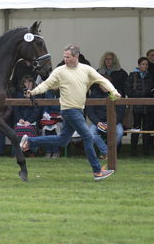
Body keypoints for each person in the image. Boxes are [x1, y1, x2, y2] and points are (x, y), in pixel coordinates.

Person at [21, 44, 121, 180]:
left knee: (62, 141)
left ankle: (30, 141)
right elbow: (46, 84)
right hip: (69, 110)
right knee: (88, 137)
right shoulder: (59, 71)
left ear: (76, 56)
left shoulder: (86, 69)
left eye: (68, 57)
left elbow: (102, 80)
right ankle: (97, 171)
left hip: (78, 110)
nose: (65, 59)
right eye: (64, 57)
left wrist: (114, 91)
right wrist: (33, 91)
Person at [125, 57, 154, 156]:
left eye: (146, 64)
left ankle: (146, 151)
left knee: (146, 129)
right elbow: (128, 90)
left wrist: (146, 94)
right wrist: (142, 94)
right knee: (136, 129)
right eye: (143, 64)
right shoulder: (132, 76)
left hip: (148, 107)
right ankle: (133, 150)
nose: (145, 66)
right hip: (136, 107)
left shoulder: (150, 76)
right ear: (139, 65)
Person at [87, 83, 125, 160]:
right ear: (99, 86)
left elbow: (121, 112)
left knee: (120, 133)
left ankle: (107, 152)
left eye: (106, 85)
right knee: (91, 133)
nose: (104, 87)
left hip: (114, 121)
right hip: (98, 122)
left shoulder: (117, 94)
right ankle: (107, 152)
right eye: (102, 85)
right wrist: (98, 122)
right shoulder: (94, 95)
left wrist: (113, 122)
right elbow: (90, 112)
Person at [12, 75, 42, 157]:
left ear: (33, 83)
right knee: (18, 131)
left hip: (31, 121)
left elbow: (37, 110)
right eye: (26, 82)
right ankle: (17, 153)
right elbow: (16, 109)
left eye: (30, 82)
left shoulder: (36, 94)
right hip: (20, 121)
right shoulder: (18, 94)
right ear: (23, 84)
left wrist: (29, 121)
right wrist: (20, 119)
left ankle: (31, 152)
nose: (28, 84)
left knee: (29, 130)